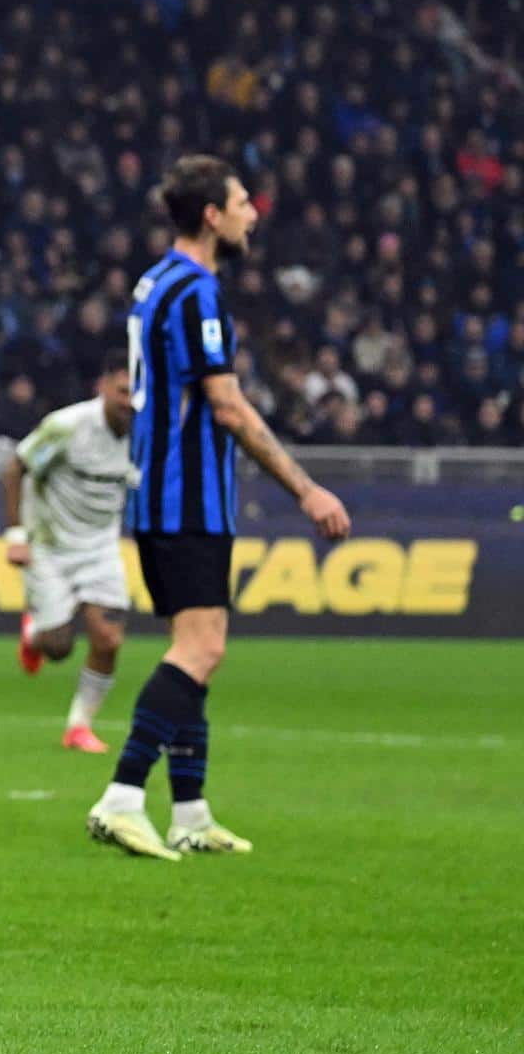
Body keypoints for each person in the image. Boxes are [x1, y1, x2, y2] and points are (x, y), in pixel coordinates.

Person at [87, 156, 351, 860]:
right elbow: (226, 406)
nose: (252, 214)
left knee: (195, 649)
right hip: (189, 499)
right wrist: (307, 488)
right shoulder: (197, 291)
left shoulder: (153, 282)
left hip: (160, 496)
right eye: (241, 202)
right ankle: (121, 797)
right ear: (212, 215)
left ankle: (193, 812)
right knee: (201, 648)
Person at [3, 350, 135, 754]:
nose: (130, 401)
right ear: (103, 388)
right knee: (58, 647)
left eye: (137, 393)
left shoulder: (147, 434)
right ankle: (35, 633)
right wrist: (16, 535)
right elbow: (15, 468)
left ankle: (79, 726)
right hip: (49, 546)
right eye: (122, 391)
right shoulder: (67, 426)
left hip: (99, 548)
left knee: (109, 639)